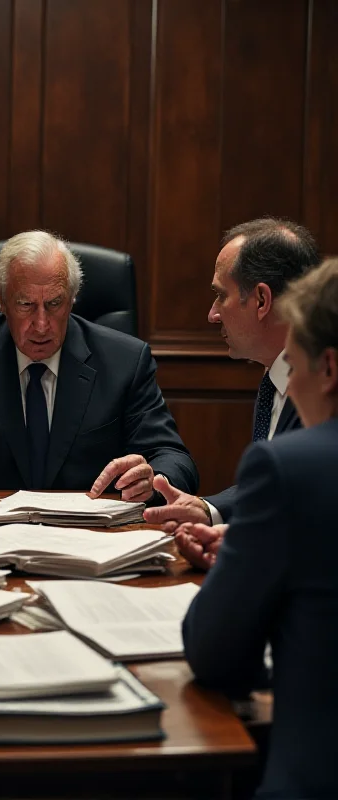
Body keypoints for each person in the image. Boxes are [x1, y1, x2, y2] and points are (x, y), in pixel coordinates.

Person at [183, 257, 338, 799]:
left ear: (330, 369)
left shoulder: (293, 468)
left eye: (294, 366)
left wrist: (248, 566)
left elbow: (214, 650)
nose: (289, 390)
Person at [0, 230, 198, 504]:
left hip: (91, 539)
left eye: (54, 304)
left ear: (72, 299)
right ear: (2, 300)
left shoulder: (126, 360)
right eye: (25, 305)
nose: (41, 325)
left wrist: (154, 480)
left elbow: (175, 459)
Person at [143, 218, 320, 568]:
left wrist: (247, 544)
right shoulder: (276, 376)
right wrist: (210, 510)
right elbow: (275, 489)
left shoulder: (321, 390)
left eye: (221, 295)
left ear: (261, 300)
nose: (212, 314)